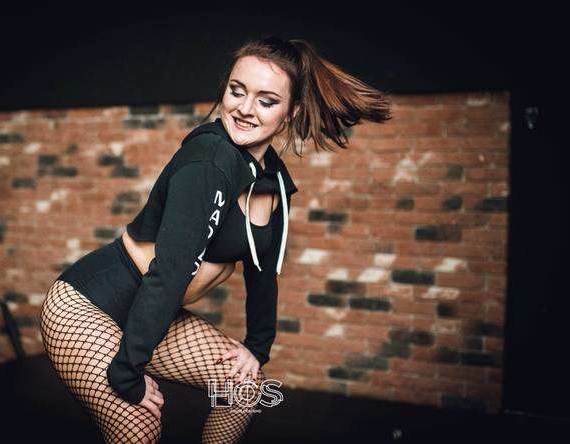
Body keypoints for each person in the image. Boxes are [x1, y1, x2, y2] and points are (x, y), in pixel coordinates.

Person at [39, 35, 391, 444]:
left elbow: (263, 274)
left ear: (291, 112)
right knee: (139, 425)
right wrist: (128, 372)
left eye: (266, 100)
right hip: (85, 306)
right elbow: (171, 271)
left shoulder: (274, 181)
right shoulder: (210, 159)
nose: (245, 108)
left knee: (245, 387)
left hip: (155, 313)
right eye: (237, 91)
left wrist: (256, 348)